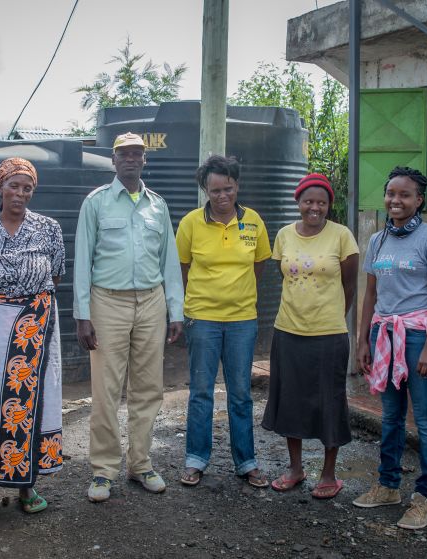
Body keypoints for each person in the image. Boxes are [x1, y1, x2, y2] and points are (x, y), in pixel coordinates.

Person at [73, 132, 184, 503]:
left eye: (138, 153)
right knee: (105, 389)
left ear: (144, 160)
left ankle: (141, 464)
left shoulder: (158, 206)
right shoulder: (97, 203)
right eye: (125, 154)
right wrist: (82, 315)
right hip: (108, 302)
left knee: (148, 387)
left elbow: (169, 261)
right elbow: (83, 261)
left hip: (151, 302)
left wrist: (175, 311)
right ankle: (103, 471)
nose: (132, 159)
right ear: (114, 159)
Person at [354, 166, 427, 530]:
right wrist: (362, 338)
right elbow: (370, 293)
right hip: (385, 335)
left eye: (404, 195)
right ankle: (388, 486)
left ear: (418, 200)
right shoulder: (376, 240)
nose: (395, 200)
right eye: (391, 193)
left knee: (426, 419)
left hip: (417, 336)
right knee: (391, 416)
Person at [0, 157, 65, 521]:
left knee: (33, 402)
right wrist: (5, 305)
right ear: (0, 186)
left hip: (35, 326)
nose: (20, 193)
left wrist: (25, 307)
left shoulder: (49, 229)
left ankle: (26, 483)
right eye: (14, 185)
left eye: (27, 187)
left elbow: (56, 273)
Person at [261, 173, 359, 499]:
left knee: (329, 402)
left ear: (329, 205)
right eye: (308, 201)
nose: (314, 207)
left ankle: (329, 474)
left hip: (329, 334)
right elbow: (284, 276)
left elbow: (350, 285)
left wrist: (329, 315)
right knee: (290, 400)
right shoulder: (285, 235)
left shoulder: (342, 236)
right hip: (288, 330)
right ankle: (295, 469)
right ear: (298, 202)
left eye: (321, 202)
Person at [175, 155, 271, 489]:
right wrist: (199, 304)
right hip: (202, 319)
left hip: (243, 320)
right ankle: (195, 460)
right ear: (205, 189)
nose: (221, 196)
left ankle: (246, 462)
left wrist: (239, 298)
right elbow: (183, 268)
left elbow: (258, 266)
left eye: (227, 188)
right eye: (214, 190)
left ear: (237, 186)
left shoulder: (254, 222)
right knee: (201, 391)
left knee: (240, 393)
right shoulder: (190, 223)